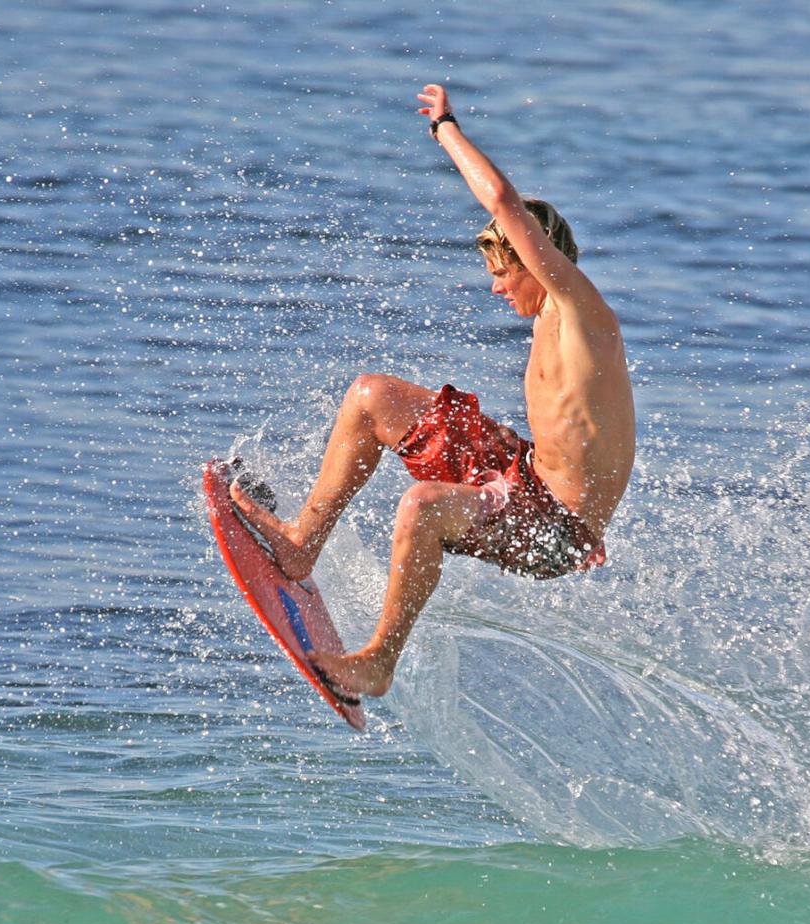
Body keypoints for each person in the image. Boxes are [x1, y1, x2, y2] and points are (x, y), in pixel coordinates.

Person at [229, 82, 635, 698]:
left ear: (538, 261)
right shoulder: (552, 320)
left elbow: (503, 202)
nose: (497, 290)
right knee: (372, 396)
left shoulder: (582, 312)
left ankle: (378, 662)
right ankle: (301, 543)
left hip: (556, 528)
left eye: (504, 273)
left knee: (421, 506)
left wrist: (443, 127)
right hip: (523, 474)